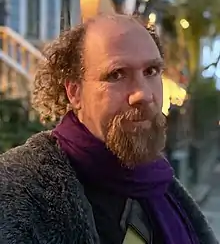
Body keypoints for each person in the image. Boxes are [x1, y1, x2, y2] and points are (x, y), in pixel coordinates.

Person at [0, 14, 218, 244]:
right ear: (74, 92)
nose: (143, 94)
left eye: (151, 71)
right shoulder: (17, 193)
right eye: (117, 74)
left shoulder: (159, 186)